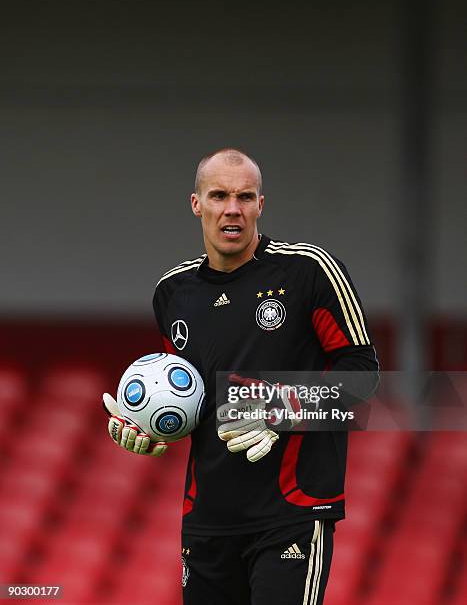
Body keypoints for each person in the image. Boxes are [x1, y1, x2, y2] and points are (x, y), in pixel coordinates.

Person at [104, 148, 379, 605]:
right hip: (206, 519)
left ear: (260, 205)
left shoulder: (309, 271)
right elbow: (193, 396)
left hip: (291, 512)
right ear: (196, 204)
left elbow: (363, 376)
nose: (232, 208)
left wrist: (280, 410)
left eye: (244, 197)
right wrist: (149, 427)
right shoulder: (172, 292)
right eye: (219, 195)